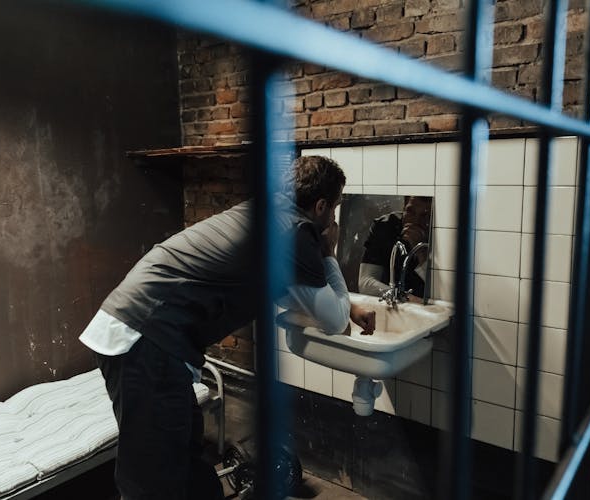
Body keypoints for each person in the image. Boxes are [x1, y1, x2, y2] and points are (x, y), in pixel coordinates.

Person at [79, 155, 376, 500]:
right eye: (335, 208)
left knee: (185, 459)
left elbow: (297, 295)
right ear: (322, 205)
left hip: (144, 332)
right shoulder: (296, 231)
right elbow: (333, 321)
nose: (335, 218)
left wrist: (349, 304)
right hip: (146, 337)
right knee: (152, 480)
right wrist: (328, 252)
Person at [358, 196, 432, 301]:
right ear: (403, 208)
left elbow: (442, 292)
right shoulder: (386, 226)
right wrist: (403, 297)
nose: (415, 221)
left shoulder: (440, 235)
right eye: (410, 212)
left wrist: (422, 254)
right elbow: (365, 282)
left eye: (425, 216)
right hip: (392, 302)